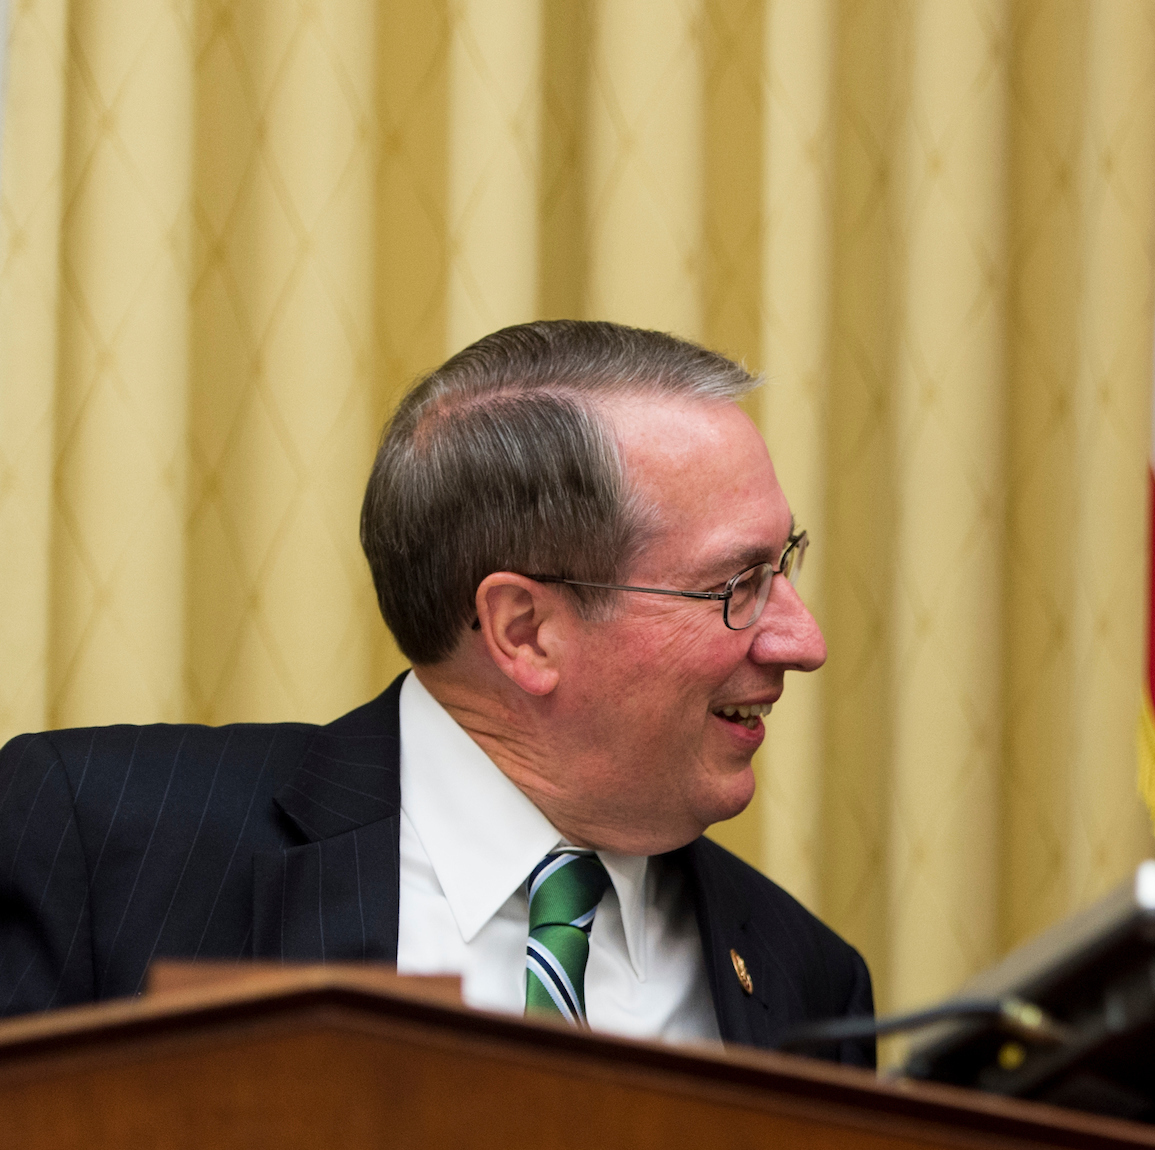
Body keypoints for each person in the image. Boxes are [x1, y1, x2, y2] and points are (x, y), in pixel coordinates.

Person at [0, 320, 870, 1057]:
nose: (805, 641)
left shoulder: (808, 983)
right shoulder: (98, 847)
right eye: (738, 585)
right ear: (525, 631)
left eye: (784, 560)